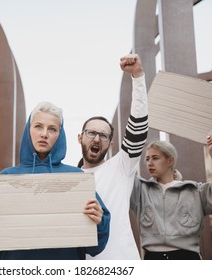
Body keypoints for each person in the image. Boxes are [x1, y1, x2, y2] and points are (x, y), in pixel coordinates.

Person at [0, 101, 110, 260]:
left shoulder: (77, 178)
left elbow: (95, 248)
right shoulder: (6, 178)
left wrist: (98, 222)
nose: (44, 134)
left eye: (52, 129)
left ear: (60, 134)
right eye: (38, 126)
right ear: (28, 130)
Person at [79, 54, 148, 260]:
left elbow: (138, 127)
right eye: (91, 133)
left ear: (110, 145)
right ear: (80, 138)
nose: (97, 139)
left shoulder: (121, 167)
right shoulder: (68, 178)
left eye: (103, 135)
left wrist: (137, 77)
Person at [130, 130, 212, 260]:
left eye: (155, 158)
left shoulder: (195, 191)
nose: (150, 163)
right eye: (147, 159)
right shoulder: (140, 190)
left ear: (170, 161)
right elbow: (122, 171)